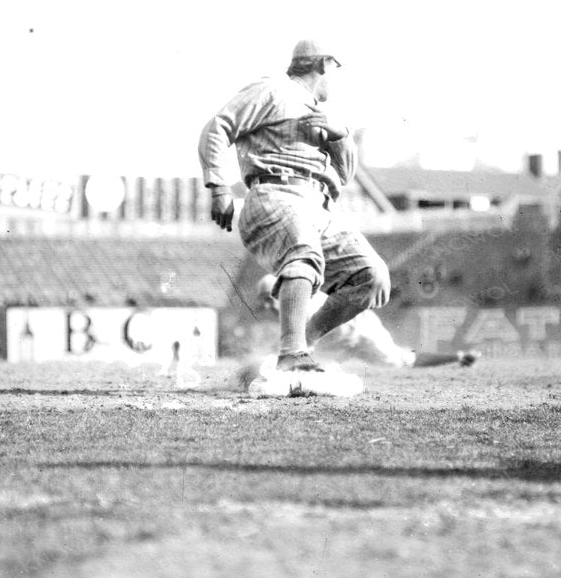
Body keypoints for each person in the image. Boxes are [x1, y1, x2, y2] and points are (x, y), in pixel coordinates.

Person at [199, 40, 390, 376]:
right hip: (275, 192)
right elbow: (218, 128)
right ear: (324, 64)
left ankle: (301, 343)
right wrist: (218, 187)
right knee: (303, 253)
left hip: (319, 204)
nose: (335, 77)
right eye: (335, 70)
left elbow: (343, 176)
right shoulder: (273, 90)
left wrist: (341, 136)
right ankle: (292, 353)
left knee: (372, 277)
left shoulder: (324, 112)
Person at [251, 274, 476, 370]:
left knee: (401, 361)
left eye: (270, 298)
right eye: (263, 301)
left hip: (361, 330)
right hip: (333, 345)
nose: (267, 306)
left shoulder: (303, 303)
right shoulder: (293, 310)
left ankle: (457, 357)